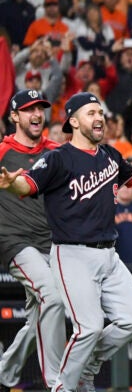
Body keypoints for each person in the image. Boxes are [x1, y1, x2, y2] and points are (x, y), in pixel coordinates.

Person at [0, 92, 132, 392]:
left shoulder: (110, 156)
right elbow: (28, 184)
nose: (99, 117)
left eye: (100, 112)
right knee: (88, 328)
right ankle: (62, 387)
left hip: (109, 256)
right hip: (71, 254)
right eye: (90, 113)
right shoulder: (57, 158)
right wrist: (12, 184)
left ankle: (87, 365)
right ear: (73, 121)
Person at [0, 90, 64, 391]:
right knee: (52, 297)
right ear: (14, 116)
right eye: (28, 110)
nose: (36, 114)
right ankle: (58, 383)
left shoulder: (56, 151)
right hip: (15, 241)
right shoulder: (1, 152)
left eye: (40, 108)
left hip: (51, 244)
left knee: (42, 312)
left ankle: (3, 372)